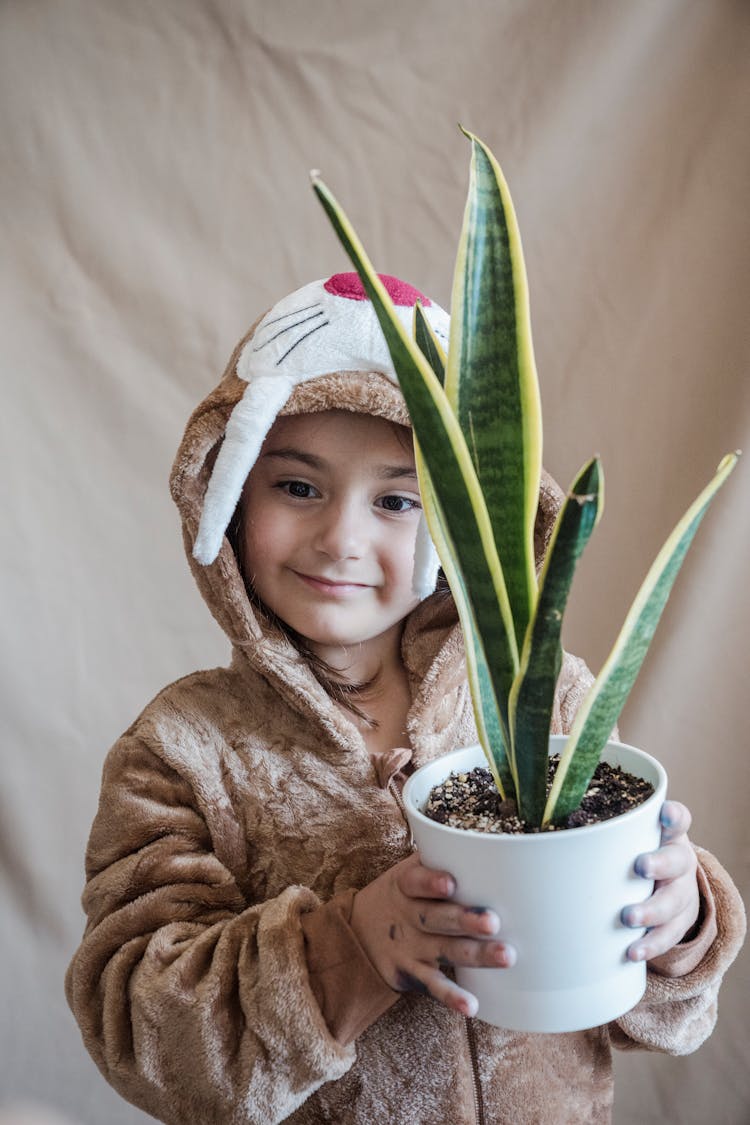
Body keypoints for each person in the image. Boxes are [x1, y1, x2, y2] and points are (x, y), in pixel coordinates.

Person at [66, 273, 745, 1125]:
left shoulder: (542, 694)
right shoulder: (183, 749)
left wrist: (676, 924)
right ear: (229, 494)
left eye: (397, 500)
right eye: (298, 486)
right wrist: (352, 948)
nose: (342, 536)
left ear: (464, 524)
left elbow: (662, 1012)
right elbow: (141, 1029)